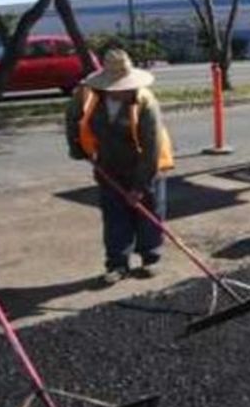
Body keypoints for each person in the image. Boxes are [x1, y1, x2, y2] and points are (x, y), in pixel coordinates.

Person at [66, 48, 175, 285]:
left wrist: (140, 186)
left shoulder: (146, 101)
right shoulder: (87, 95)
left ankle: (151, 257)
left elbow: (151, 148)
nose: (125, 91)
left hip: (146, 163)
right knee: (114, 215)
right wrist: (80, 150)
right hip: (109, 164)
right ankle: (117, 263)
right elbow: (72, 119)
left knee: (150, 209)